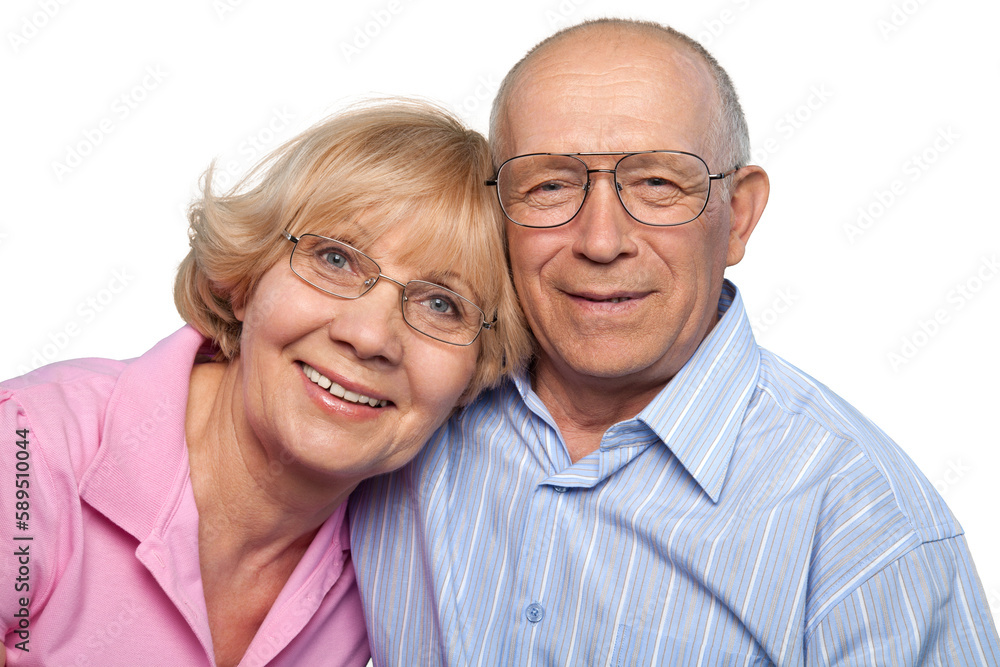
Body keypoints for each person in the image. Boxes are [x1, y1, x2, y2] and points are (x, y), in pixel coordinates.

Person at [350, 18, 1000, 665]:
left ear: (738, 216)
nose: (601, 241)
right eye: (550, 184)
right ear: (497, 212)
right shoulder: (400, 407)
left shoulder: (871, 530)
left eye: (657, 183)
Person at [0, 100, 530, 666]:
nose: (371, 336)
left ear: (478, 371)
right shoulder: (31, 447)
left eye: (441, 304)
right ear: (245, 277)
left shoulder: (408, 563)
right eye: (336, 258)